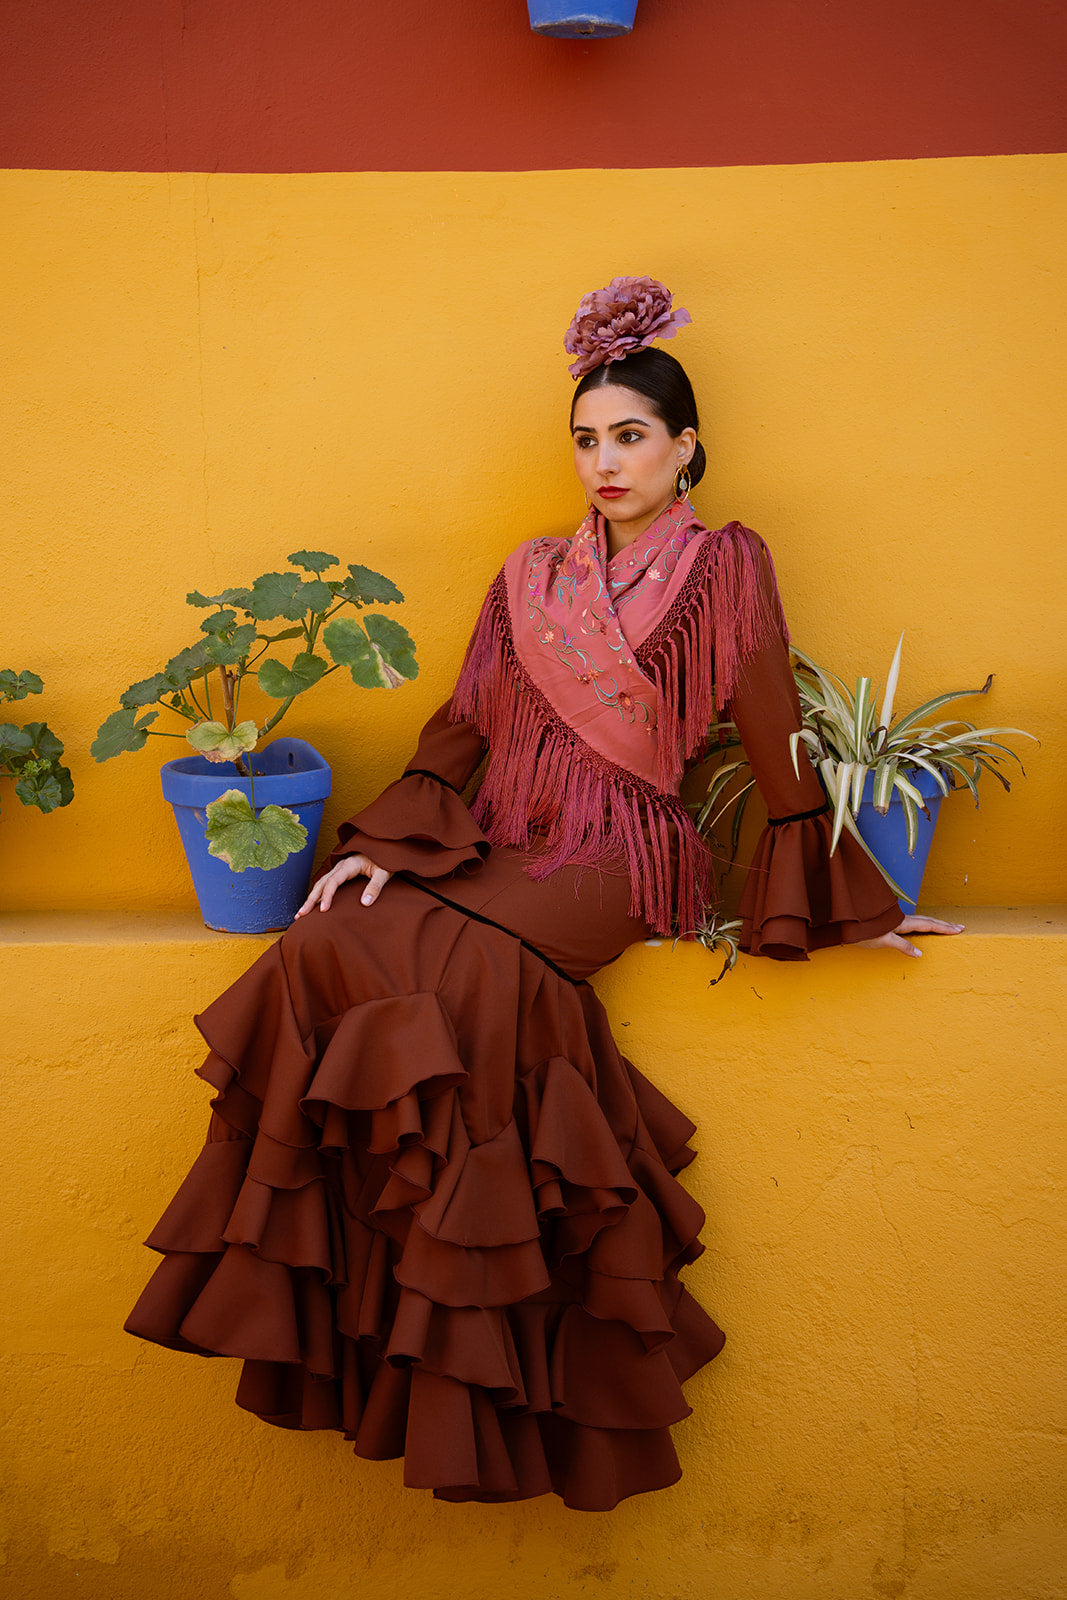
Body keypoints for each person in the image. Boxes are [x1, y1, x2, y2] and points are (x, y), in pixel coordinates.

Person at [125, 278, 962, 1510]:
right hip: (496, 833)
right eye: (586, 439)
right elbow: (467, 720)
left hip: (618, 851)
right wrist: (386, 843)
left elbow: (774, 725)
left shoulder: (726, 564)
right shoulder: (528, 573)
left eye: (630, 436)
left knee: (476, 974)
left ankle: (477, 1323)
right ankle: (366, 1300)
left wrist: (857, 899)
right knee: (324, 945)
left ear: (684, 448)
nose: (605, 462)